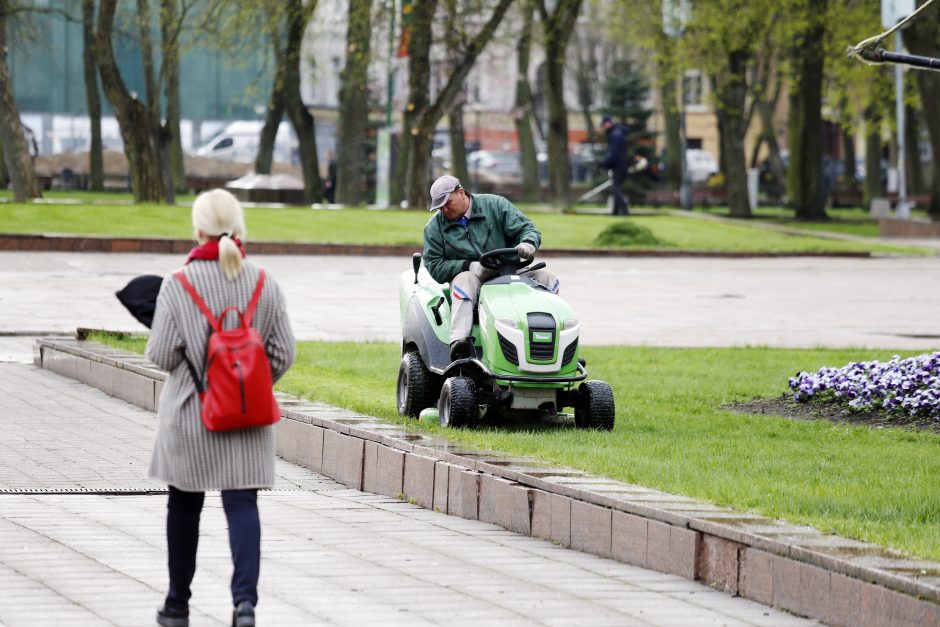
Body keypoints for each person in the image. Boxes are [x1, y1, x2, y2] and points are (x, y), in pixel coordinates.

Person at [146, 188, 296, 627]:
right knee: (242, 505)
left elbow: (161, 355)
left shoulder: (178, 284)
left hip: (190, 416)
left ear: (198, 230)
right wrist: (245, 383)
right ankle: (244, 605)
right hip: (246, 419)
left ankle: (177, 605)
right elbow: (283, 352)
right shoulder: (264, 282)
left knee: (183, 506)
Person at [423, 175, 559, 361]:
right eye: (440, 207)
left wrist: (528, 243)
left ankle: (549, 337)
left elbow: (527, 228)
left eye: (448, 203)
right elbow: (434, 265)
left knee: (547, 278)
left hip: (510, 272)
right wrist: (469, 266)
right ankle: (459, 342)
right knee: (465, 279)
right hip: (475, 281)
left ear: (461, 193)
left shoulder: (495, 205)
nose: (444, 209)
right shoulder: (434, 228)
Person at [600, 115, 630, 216]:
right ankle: (615, 212)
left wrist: (605, 162)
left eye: (603, 125)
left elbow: (614, 153)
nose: (603, 128)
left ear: (607, 124)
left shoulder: (615, 135)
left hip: (619, 164)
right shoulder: (619, 133)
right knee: (616, 186)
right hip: (622, 163)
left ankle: (624, 211)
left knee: (616, 187)